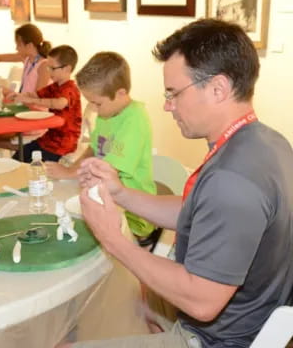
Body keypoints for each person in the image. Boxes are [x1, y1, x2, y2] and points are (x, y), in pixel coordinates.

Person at [68, 19, 293, 348]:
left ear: (218, 89)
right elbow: (199, 211)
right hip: (242, 314)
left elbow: (202, 303)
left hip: (212, 337)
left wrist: (112, 239)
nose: (166, 105)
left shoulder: (232, 180)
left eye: (174, 93)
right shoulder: (266, 142)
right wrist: (121, 193)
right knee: (112, 301)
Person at [47, 51, 157, 241]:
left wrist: (67, 173)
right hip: (107, 199)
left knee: (78, 235)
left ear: (121, 93)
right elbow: (93, 149)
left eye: (97, 104)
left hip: (134, 215)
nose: (94, 109)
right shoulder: (109, 112)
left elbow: (107, 169)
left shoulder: (135, 119)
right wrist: (72, 168)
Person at [0, 23, 52, 150]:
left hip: (35, 117)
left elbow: (37, 96)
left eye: (19, 44)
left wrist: (14, 94)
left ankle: (14, 154)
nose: (16, 47)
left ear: (30, 45)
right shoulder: (26, 58)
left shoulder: (44, 65)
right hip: (23, 110)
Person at [4, 45, 82, 162]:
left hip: (62, 144)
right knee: (19, 156)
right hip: (49, 138)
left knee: (28, 161)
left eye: (52, 68)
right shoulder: (54, 86)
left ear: (67, 69)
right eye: (48, 68)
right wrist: (19, 96)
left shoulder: (70, 88)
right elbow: (35, 94)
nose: (49, 71)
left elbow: (59, 103)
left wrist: (32, 101)